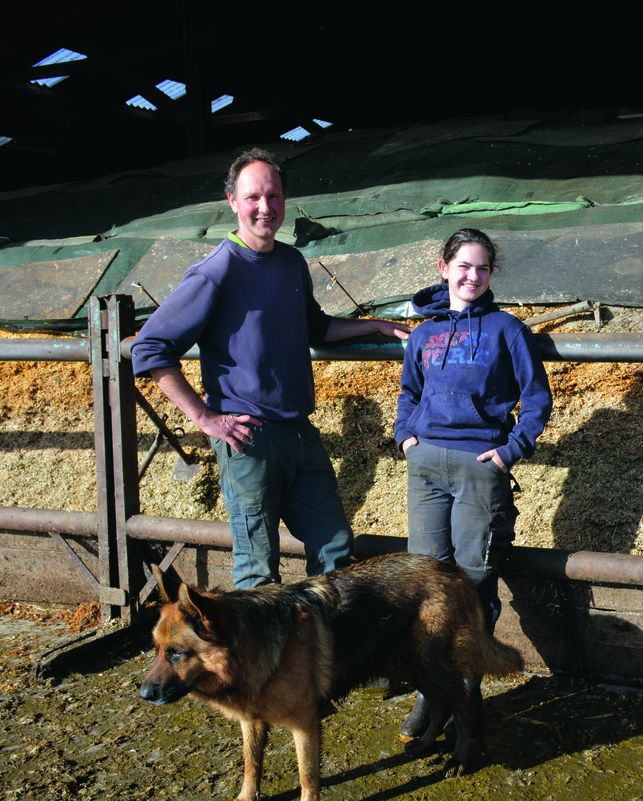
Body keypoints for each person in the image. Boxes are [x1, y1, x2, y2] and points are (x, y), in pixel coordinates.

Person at [132, 147, 410, 589]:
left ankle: (324, 654)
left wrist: (373, 325)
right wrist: (205, 418)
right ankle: (258, 659)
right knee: (259, 568)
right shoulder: (216, 271)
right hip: (250, 438)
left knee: (335, 545)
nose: (265, 207)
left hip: (300, 432)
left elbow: (314, 328)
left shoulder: (291, 262)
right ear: (232, 202)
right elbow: (150, 347)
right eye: (253, 197)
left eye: (275, 196)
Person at [393, 228, 552, 739]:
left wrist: (508, 453)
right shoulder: (423, 333)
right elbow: (408, 393)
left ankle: (466, 685)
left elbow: (537, 397)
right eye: (464, 266)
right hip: (426, 465)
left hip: (478, 465)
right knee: (425, 577)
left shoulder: (507, 329)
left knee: (475, 577)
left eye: (483, 268)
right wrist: (404, 438)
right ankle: (429, 686)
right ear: (444, 267)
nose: (473, 276)